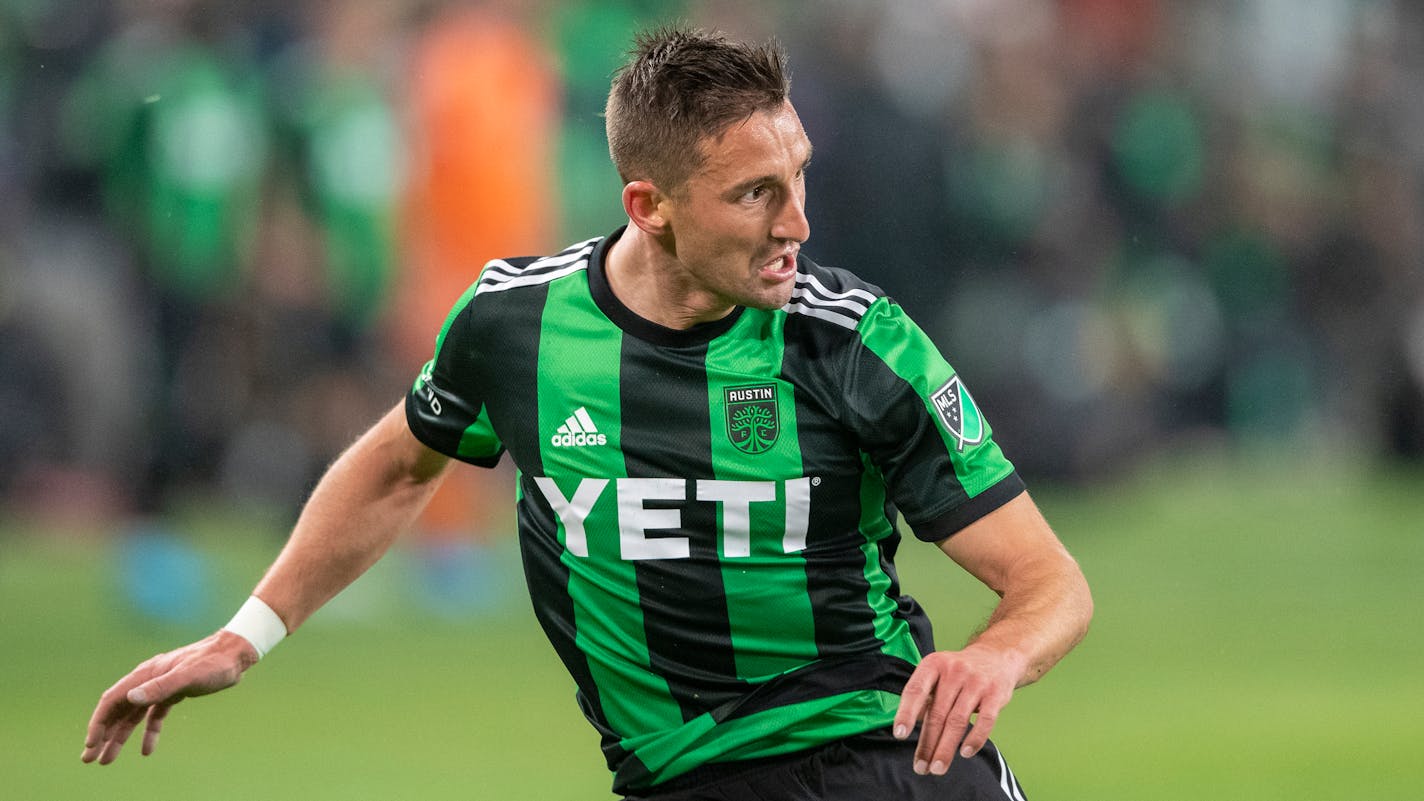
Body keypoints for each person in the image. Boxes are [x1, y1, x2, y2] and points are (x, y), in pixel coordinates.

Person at [82, 27, 1093, 800]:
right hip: (677, 782)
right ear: (648, 207)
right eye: (752, 195)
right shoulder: (515, 327)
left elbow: (1047, 583)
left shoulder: (853, 341)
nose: (797, 223)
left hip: (885, 761)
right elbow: (399, 465)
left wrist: (995, 653)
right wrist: (245, 635)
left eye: (797, 178)